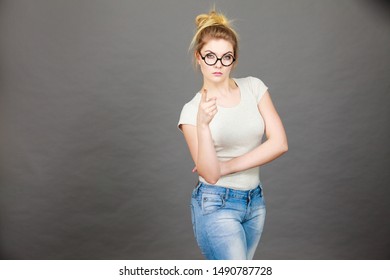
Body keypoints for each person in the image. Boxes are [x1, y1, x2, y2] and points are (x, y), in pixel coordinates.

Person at [177, 8, 288, 260]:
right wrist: (203, 125)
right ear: (198, 57)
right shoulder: (191, 111)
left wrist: (226, 166)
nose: (218, 64)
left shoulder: (254, 87)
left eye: (226, 57)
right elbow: (210, 174)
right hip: (216, 204)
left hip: (255, 201)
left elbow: (280, 143)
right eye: (210, 56)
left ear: (234, 60)